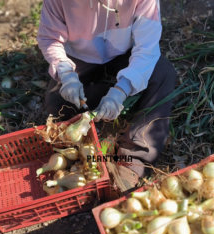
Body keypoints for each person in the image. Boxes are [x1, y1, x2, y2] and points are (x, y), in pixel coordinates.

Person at [37, 0, 177, 193]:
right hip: (78, 56)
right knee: (57, 103)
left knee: (163, 74)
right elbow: (50, 38)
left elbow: (147, 48)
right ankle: (103, 121)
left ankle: (133, 162)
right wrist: (65, 72)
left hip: (126, 52)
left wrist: (122, 89)